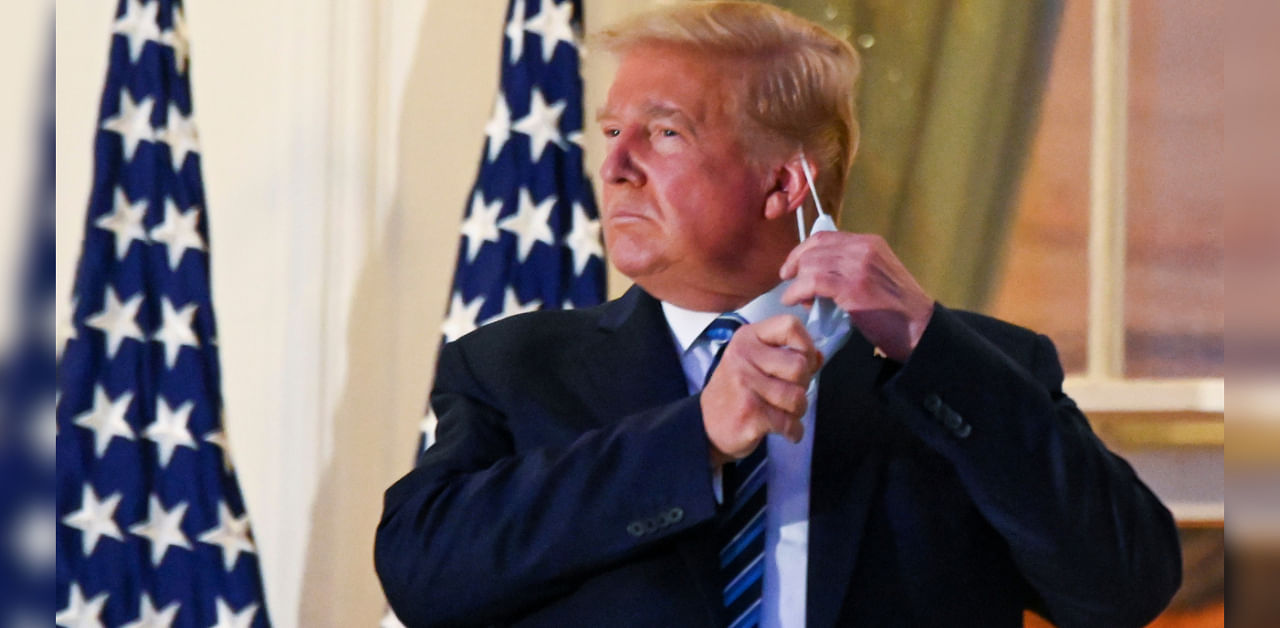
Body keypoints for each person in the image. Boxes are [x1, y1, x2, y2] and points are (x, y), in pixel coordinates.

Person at [374, 3, 1181, 627]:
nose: (614, 167)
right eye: (612, 132)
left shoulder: (970, 372)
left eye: (663, 133)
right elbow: (423, 576)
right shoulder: (515, 369)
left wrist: (932, 350)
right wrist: (694, 438)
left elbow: (1124, 587)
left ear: (784, 187)